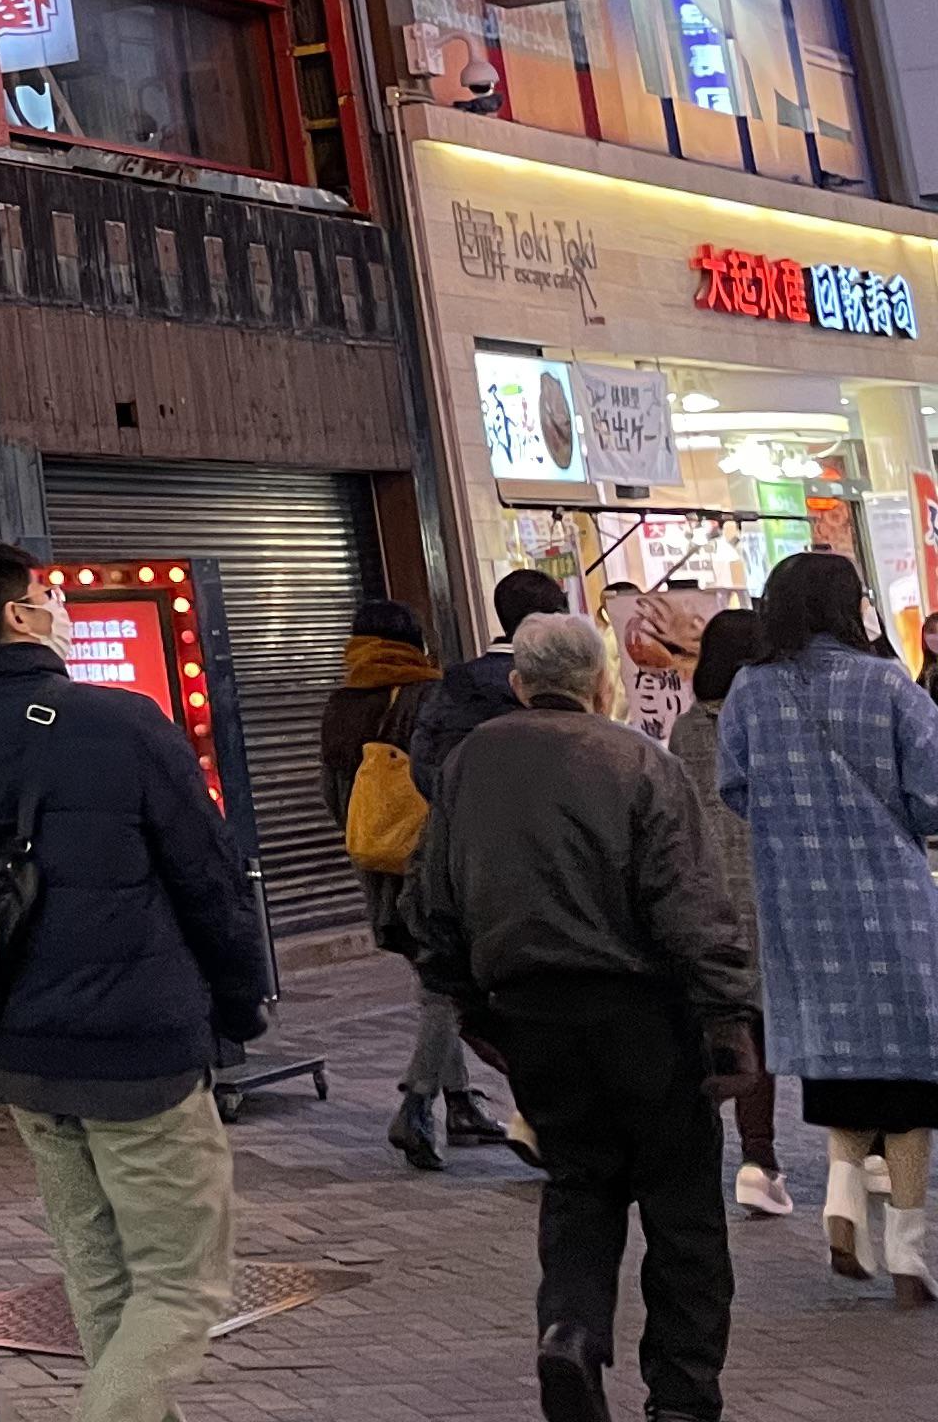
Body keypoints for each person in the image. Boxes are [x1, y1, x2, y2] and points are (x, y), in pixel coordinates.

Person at [0, 543, 269, 1422]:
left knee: (102, 1282)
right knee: (185, 1285)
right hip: (140, 1049)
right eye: (48, 594)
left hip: (27, 1053)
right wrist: (238, 1003)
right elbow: (207, 873)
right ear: (18, 616)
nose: (60, 605)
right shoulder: (124, 721)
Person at [404, 611, 757, 1422]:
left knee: (580, 1185)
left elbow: (431, 904)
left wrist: (466, 1003)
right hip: (643, 1015)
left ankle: (568, 1327)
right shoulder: (635, 761)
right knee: (683, 1214)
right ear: (603, 684)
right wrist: (728, 1014)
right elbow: (690, 907)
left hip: (531, 1015)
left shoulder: (466, 766)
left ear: (520, 684)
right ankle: (681, 1398)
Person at [718, 547, 938, 1304]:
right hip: (892, 905)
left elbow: (733, 784)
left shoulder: (749, 688)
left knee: (840, 1064)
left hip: (798, 906)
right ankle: (907, 1250)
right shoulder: (888, 684)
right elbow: (935, 793)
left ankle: (843, 1202)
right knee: (909, 1076)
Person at [322, 592, 503, 1171]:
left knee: (430, 978)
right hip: (426, 863)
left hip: (373, 863)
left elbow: (334, 797)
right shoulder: (427, 693)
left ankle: (461, 1105)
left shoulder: (341, 702)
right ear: (414, 642)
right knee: (444, 987)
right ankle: (417, 1105)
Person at [670, 608, 790, 1218]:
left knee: (719, 1026)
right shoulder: (771, 722)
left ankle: (688, 1147)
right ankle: (759, 1160)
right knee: (761, 1035)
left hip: (702, 897)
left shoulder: (686, 729)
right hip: (766, 893)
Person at [409, 567, 574, 788]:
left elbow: (424, 760)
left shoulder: (451, 684)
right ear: (554, 616)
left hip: (463, 816)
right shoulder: (548, 680)